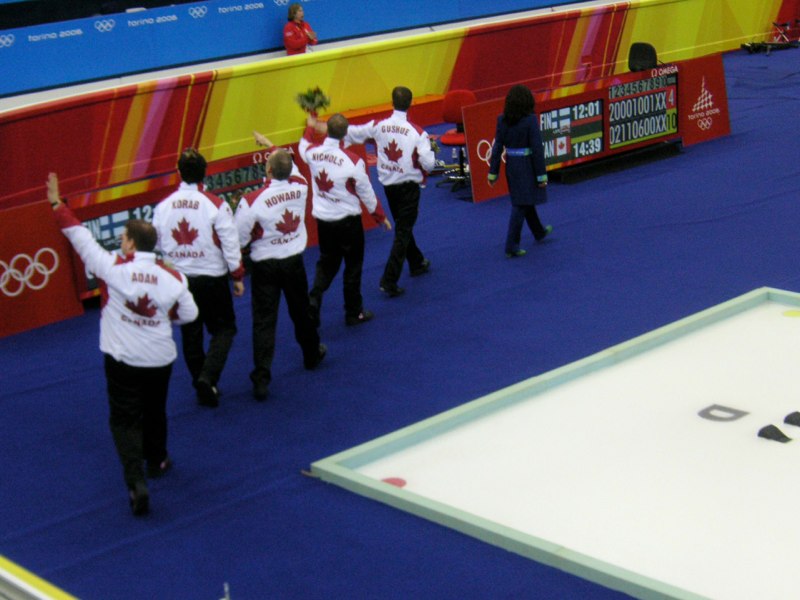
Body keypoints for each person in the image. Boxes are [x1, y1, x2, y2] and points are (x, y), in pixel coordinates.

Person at [47, 173, 199, 517]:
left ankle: (136, 482)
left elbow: (80, 237)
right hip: (159, 358)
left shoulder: (112, 268)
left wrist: (57, 204)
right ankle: (157, 460)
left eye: (123, 238)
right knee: (155, 409)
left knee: (124, 419)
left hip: (122, 359)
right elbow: (190, 314)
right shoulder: (174, 276)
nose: (120, 242)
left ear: (130, 245)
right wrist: (161, 318)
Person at [152, 148, 245, 408]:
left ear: (178, 172)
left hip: (180, 280)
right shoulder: (215, 205)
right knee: (224, 329)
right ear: (205, 172)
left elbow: (157, 243)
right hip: (212, 277)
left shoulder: (163, 207)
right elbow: (230, 243)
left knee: (191, 333)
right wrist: (237, 275)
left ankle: (201, 383)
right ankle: (208, 377)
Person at [235, 148, 327, 401]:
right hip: (293, 262)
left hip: (265, 265)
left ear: (268, 170)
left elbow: (239, 237)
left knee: (264, 321)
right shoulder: (301, 187)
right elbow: (292, 169)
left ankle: (262, 378)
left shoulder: (251, 200)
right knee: (301, 311)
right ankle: (311, 354)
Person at [297, 113, 392, 327]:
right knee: (353, 266)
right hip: (348, 223)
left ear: (327, 130)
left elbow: (303, 145)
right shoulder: (353, 162)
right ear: (344, 134)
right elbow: (366, 192)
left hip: (324, 221)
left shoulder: (313, 153)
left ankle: (314, 300)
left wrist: (310, 125)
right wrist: (379, 216)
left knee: (326, 264)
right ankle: (353, 312)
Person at [341, 86, 436, 297]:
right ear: (411, 104)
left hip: (388, 186)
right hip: (408, 187)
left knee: (403, 225)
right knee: (403, 231)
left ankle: (416, 261)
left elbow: (353, 132)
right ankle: (389, 280)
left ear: (392, 102)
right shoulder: (418, 133)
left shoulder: (378, 126)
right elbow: (429, 164)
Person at [487, 84, 553, 257]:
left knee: (524, 199)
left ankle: (538, 231)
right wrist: (541, 176)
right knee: (521, 205)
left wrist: (493, 172)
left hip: (511, 166)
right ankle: (511, 245)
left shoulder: (501, 120)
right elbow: (537, 149)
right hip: (527, 166)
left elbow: (497, 148)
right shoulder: (530, 120)